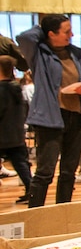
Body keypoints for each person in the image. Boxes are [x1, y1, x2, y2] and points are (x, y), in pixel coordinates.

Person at [16, 14, 81, 207]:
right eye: (66, 31)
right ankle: (35, 214)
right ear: (51, 34)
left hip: (76, 116)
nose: (71, 34)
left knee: (68, 172)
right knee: (45, 172)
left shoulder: (74, 53)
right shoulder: (39, 53)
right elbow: (24, 37)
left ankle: (62, 212)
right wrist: (44, 27)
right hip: (50, 118)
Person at [0, 56, 32, 202]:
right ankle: (32, 191)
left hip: (4, 133)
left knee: (20, 163)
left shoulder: (2, 89)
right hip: (17, 132)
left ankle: (31, 191)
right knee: (20, 163)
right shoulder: (16, 87)